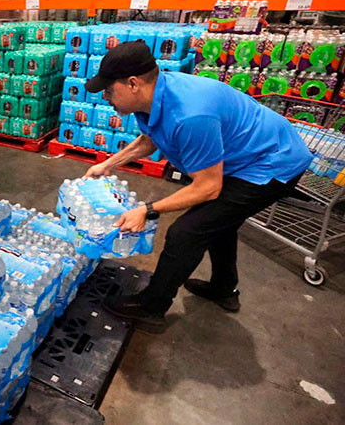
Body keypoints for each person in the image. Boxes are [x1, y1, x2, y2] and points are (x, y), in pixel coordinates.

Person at [83, 42, 312, 334]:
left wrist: (147, 210)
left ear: (132, 84)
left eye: (108, 90)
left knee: (186, 232)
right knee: (218, 222)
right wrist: (108, 165)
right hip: (245, 156)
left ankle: (151, 308)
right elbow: (149, 139)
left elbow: (208, 188)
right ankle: (223, 289)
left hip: (272, 164)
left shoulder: (190, 116)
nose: (105, 98)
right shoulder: (155, 96)